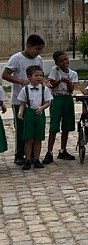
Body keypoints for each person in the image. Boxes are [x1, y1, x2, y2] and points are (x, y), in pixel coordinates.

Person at [2, 34, 45, 165]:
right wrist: (21, 82)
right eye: (37, 49)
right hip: (19, 100)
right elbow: (5, 74)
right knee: (21, 128)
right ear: (29, 46)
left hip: (36, 101)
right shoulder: (16, 58)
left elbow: (40, 76)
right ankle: (19, 154)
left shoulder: (39, 59)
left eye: (40, 50)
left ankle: (32, 155)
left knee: (34, 128)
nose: (38, 52)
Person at [16, 65, 53, 170]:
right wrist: (20, 112)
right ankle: (28, 159)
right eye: (36, 75)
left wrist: (42, 108)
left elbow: (48, 102)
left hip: (39, 114)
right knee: (28, 138)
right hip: (29, 114)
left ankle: (36, 159)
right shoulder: (25, 89)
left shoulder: (44, 89)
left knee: (38, 138)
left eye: (41, 75)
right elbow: (22, 103)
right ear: (29, 77)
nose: (39, 77)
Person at [44, 50, 78, 164]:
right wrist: (60, 80)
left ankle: (63, 150)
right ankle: (49, 152)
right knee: (54, 125)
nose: (65, 62)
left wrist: (68, 82)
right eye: (61, 61)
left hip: (67, 98)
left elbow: (71, 89)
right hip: (57, 98)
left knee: (66, 126)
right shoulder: (55, 71)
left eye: (66, 59)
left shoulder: (73, 73)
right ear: (56, 63)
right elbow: (52, 85)